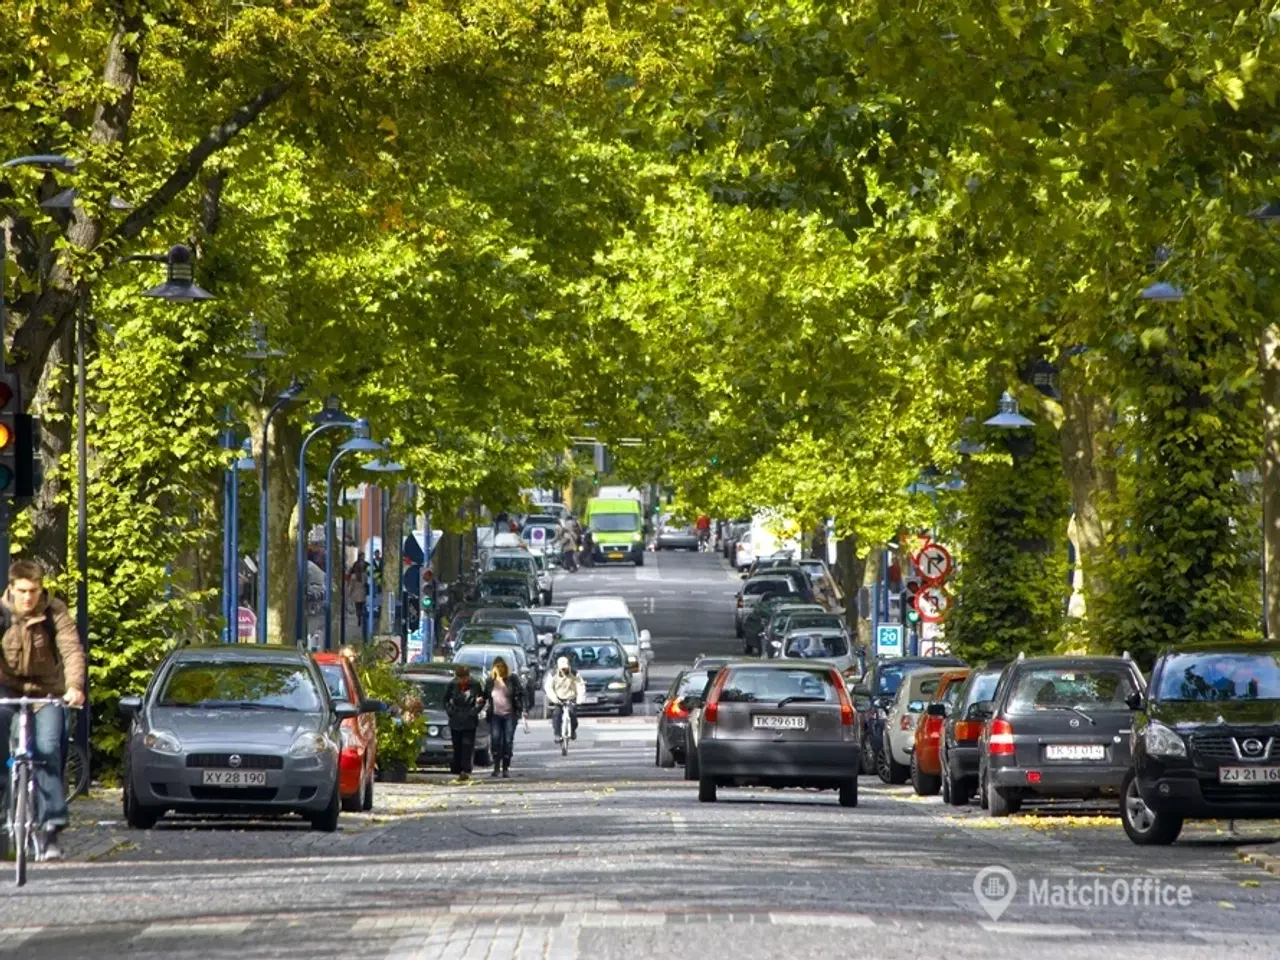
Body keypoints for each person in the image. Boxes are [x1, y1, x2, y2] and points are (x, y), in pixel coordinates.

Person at [0, 559, 85, 862]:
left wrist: (74, 686)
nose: (28, 597)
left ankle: (50, 829)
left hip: (47, 693)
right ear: (11, 588)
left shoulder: (55, 611)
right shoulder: (1, 612)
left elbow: (72, 650)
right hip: (6, 690)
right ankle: (3, 818)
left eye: (33, 591)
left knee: (48, 748)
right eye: (22, 591)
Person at [443, 664, 485, 781]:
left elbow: (481, 700)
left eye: (464, 678)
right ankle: (456, 768)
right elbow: (445, 700)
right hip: (456, 718)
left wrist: (474, 711)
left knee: (467, 745)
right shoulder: (452, 684)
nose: (462, 680)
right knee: (457, 745)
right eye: (460, 678)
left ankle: (466, 768)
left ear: (468, 676)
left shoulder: (475, 685)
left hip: (469, 719)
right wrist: (450, 712)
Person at [484, 659, 524, 778]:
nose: (500, 669)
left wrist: (523, 709)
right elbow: (485, 695)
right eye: (497, 666)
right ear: (494, 668)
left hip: (509, 715)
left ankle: (505, 768)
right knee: (495, 740)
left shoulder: (512, 679)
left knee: (507, 741)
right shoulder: (490, 681)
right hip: (495, 715)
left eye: (502, 666)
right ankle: (496, 767)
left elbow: (521, 693)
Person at [544, 656, 585, 743]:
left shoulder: (574, 673)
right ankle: (557, 734)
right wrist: (554, 699)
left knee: (572, 713)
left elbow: (580, 685)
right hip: (558, 698)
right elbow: (549, 688)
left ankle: (573, 730)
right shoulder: (552, 674)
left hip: (571, 697)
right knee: (557, 714)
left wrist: (580, 699)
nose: (564, 670)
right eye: (562, 669)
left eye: (566, 668)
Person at [347, 553, 369, 639]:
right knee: (362, 606)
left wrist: (349, 594)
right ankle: (362, 617)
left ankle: (359, 617)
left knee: (357, 608)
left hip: (356, 594)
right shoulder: (365, 576)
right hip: (362, 592)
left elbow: (351, 587)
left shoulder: (353, 577)